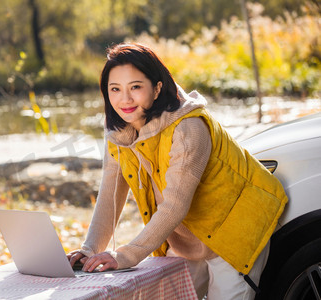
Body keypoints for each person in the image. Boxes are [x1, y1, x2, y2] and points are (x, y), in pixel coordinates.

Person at [67, 43, 288, 300]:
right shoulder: (119, 132)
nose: (124, 99)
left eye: (135, 87)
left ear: (158, 87)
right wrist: (90, 250)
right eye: (115, 89)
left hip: (234, 229)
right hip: (188, 237)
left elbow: (174, 206)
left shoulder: (188, 128)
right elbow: (110, 194)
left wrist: (125, 255)